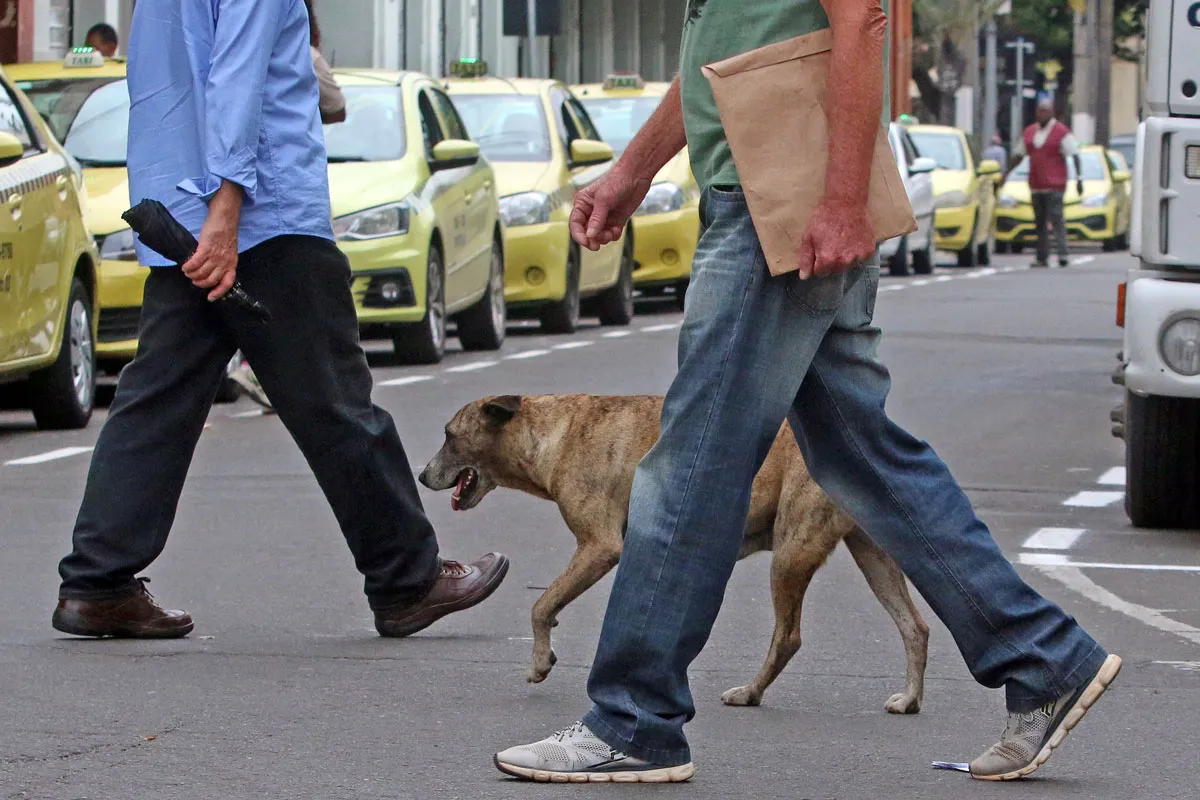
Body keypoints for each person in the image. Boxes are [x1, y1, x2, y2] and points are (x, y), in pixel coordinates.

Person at [494, 0, 1119, 784]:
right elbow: (720, 49)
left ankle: (633, 717)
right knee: (863, 458)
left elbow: (859, 19)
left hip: (778, 206)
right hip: (764, 193)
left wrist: (840, 200)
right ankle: (1042, 657)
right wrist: (634, 168)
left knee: (691, 464)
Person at [52, 0, 509, 642]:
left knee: (157, 401)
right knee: (333, 399)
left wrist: (196, 207)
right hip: (258, 215)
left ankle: (97, 584)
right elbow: (238, 76)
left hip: (179, 204)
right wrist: (228, 207)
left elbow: (159, 86)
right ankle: (407, 578)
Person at [227, 0, 344, 412]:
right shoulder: (301, 53)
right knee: (307, 316)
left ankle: (252, 368)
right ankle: (258, 371)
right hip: (286, 197)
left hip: (234, 203)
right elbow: (336, 105)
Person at [1018, 99, 1083, 268]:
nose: (1041, 115)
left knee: (1057, 219)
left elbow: (1074, 154)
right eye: (1039, 111)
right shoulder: (1030, 132)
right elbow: (1018, 154)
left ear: (1051, 112)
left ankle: (1062, 254)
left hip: (1055, 185)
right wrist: (1005, 175)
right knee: (1039, 223)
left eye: (1045, 111)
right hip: (1036, 184)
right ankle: (1042, 256)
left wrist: (1079, 178)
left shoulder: (1061, 132)